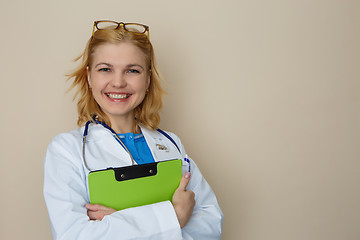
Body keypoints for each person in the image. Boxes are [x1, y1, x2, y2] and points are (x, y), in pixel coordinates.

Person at [43, 20, 223, 239]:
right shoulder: (66, 150)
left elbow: (211, 223)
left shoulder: (170, 144)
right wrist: (174, 217)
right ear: (89, 76)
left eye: (132, 71)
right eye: (105, 69)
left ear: (147, 80)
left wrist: (120, 221)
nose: (118, 83)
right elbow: (74, 235)